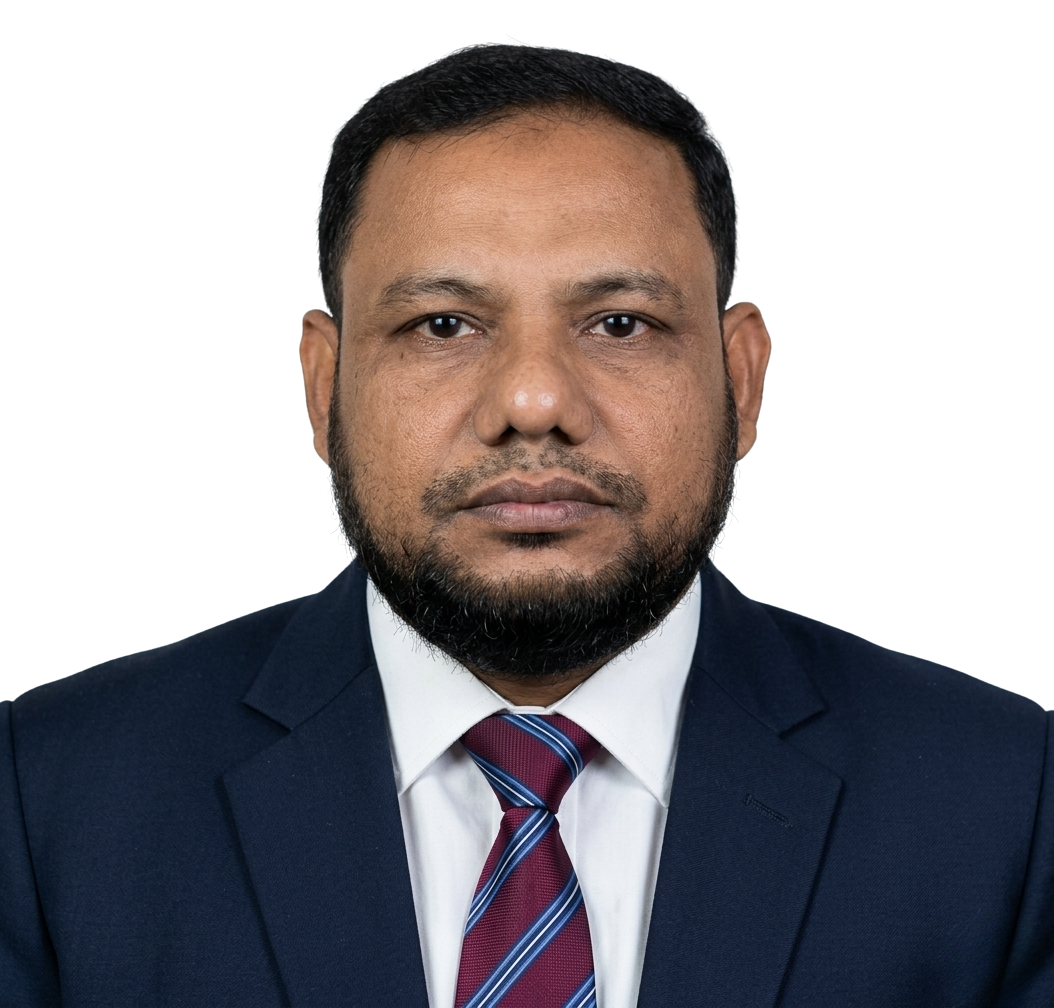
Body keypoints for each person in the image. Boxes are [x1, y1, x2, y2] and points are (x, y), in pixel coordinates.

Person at [2, 43, 1050, 1008]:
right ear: (322, 390)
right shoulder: (43, 797)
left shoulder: (1011, 799)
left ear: (742, 379)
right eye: (443, 325)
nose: (534, 402)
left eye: (620, 323)